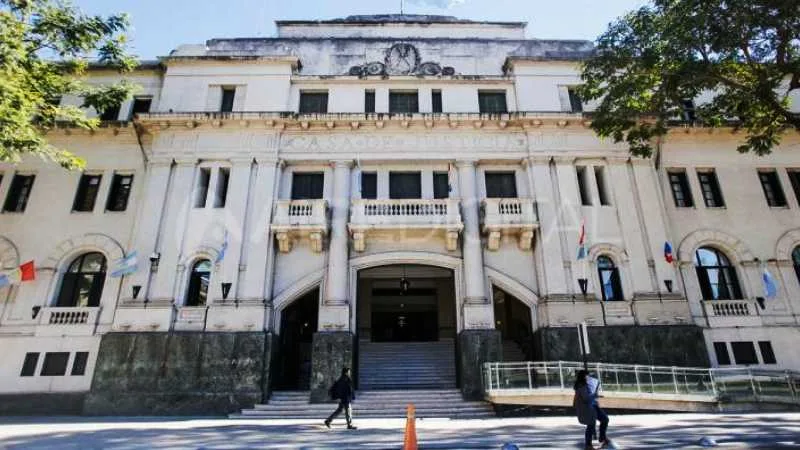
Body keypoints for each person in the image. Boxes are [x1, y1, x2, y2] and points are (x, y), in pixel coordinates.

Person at [573, 369, 610, 449]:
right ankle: (588, 445)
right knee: (591, 425)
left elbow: (589, 395)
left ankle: (602, 437)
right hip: (587, 408)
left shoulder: (587, 384)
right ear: (583, 377)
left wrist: (595, 395)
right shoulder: (581, 386)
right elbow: (586, 398)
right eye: (587, 376)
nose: (589, 377)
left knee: (605, 419)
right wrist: (595, 395)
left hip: (593, 406)